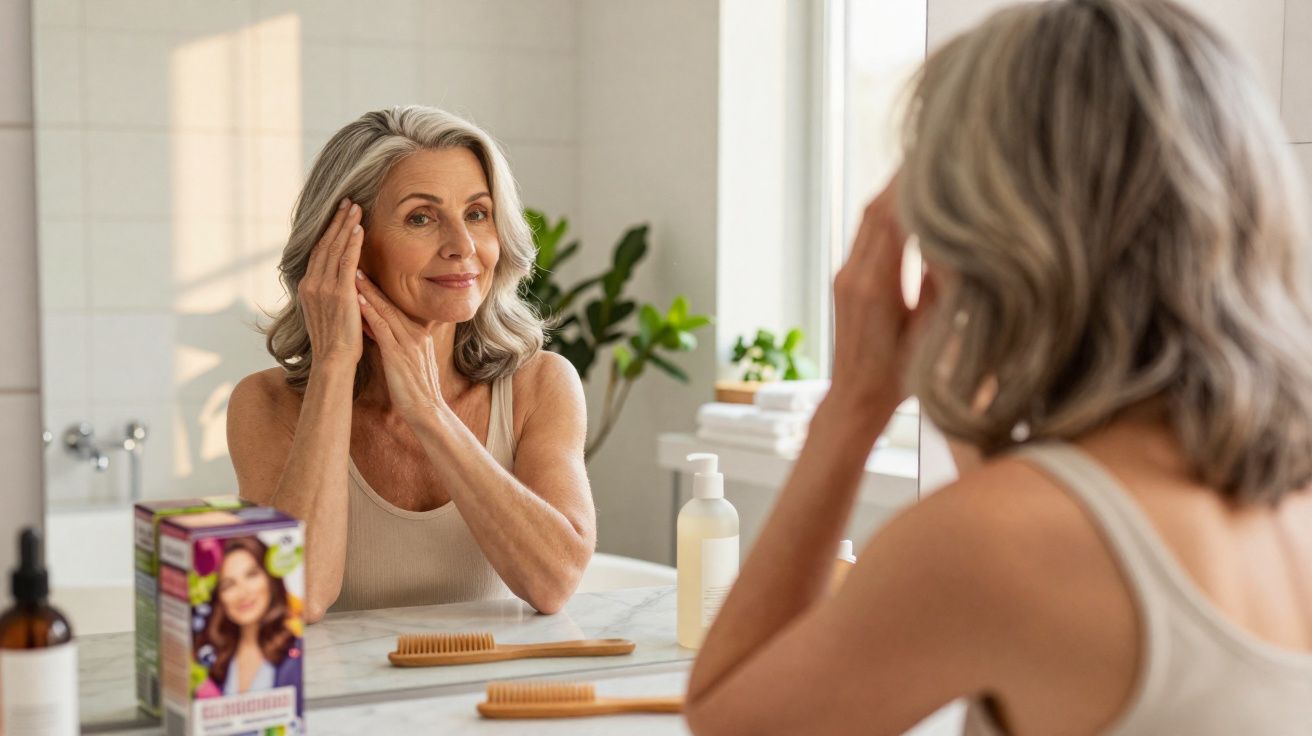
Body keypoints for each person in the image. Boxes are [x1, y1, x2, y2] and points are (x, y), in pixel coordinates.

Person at [685, 1, 1312, 733]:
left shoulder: (993, 544)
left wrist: (857, 398)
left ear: (990, 238)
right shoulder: (1280, 495)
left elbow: (726, 718)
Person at [227, 106, 595, 622]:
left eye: (477, 213)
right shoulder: (266, 404)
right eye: (421, 218)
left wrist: (429, 410)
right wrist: (334, 363)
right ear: (344, 248)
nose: (463, 246)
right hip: (343, 702)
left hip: (493, 695)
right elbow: (297, 596)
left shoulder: (542, 385)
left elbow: (554, 583)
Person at [196, 537, 300, 698]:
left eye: (251, 575)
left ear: (270, 578)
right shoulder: (214, 659)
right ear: (219, 598)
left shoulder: (296, 653)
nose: (243, 593)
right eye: (228, 584)